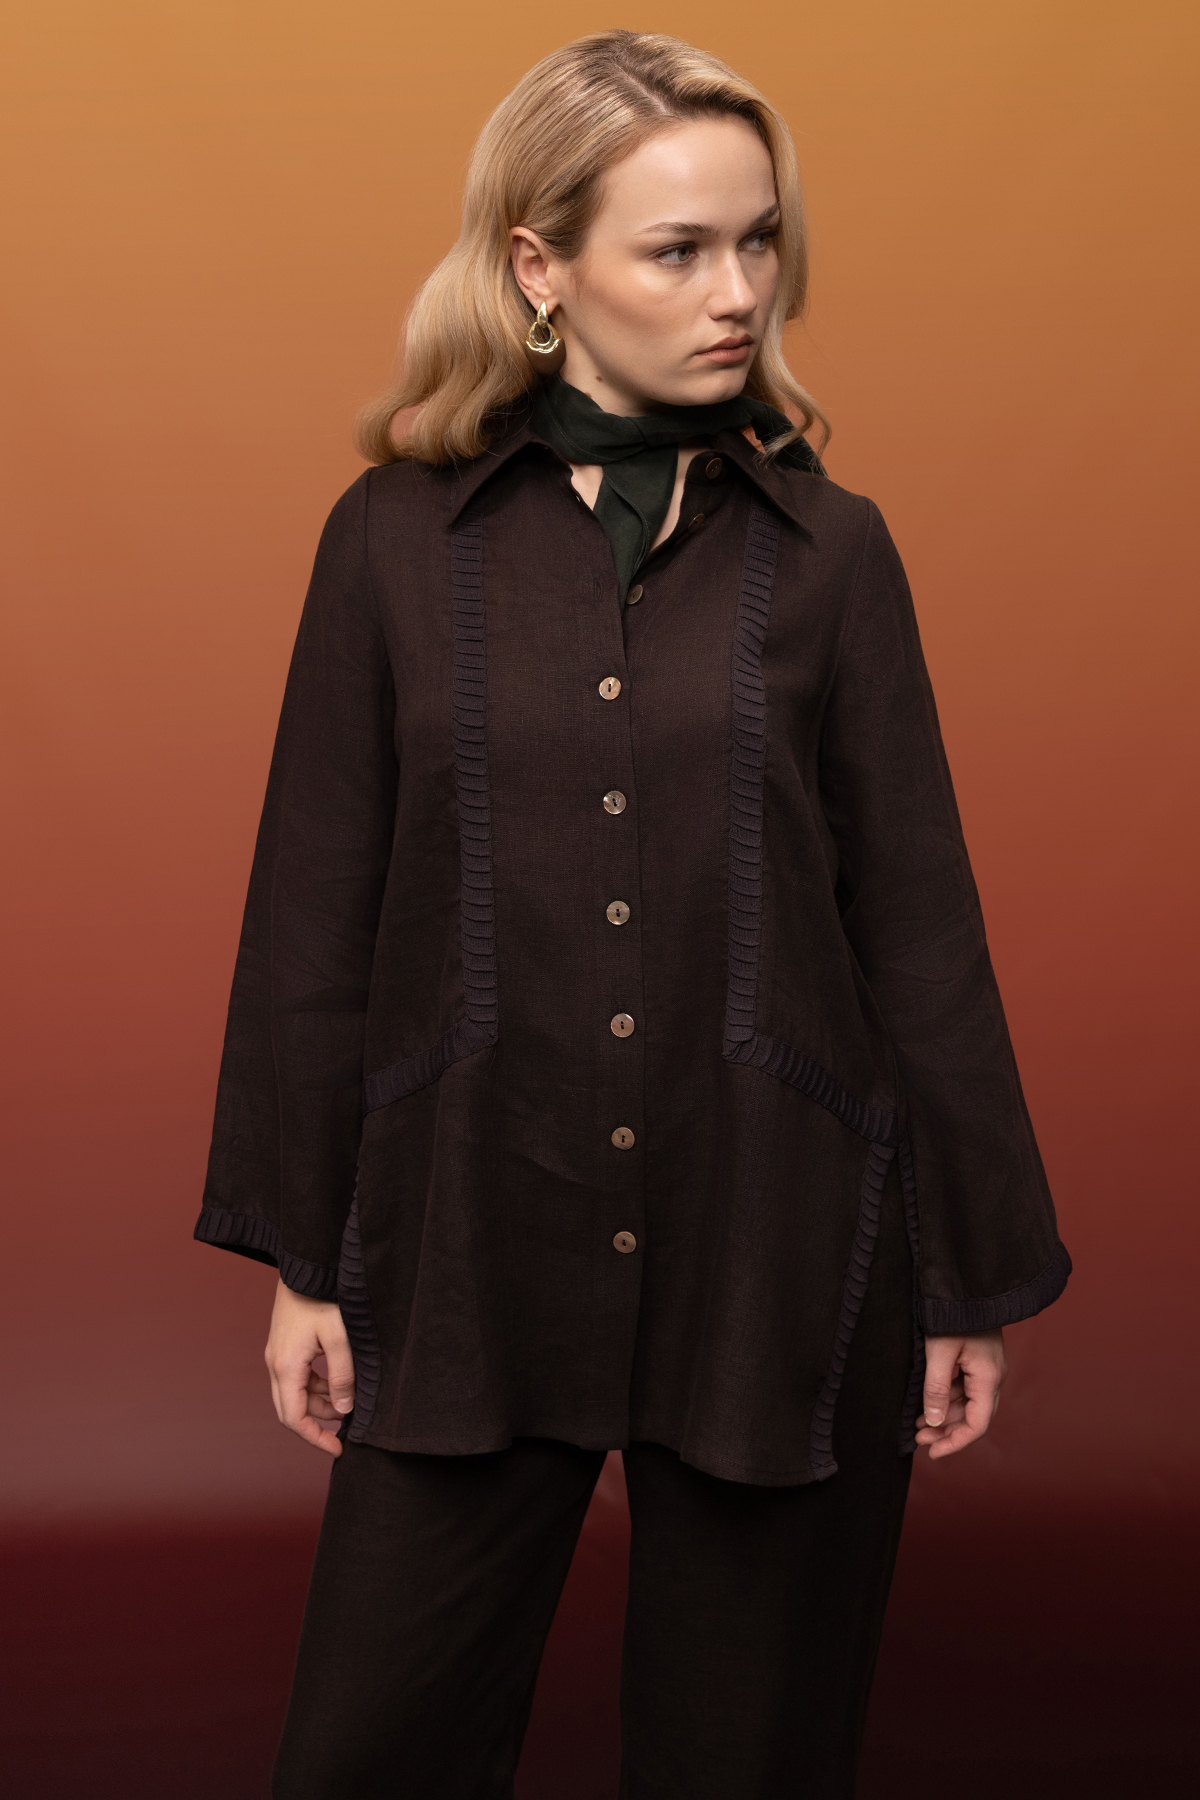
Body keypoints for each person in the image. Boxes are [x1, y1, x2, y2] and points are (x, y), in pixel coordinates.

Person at [194, 29, 1070, 1799]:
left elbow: (918, 924)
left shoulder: (834, 552)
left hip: (782, 1238)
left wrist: (963, 1282)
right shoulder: (390, 542)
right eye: (680, 250)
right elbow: (312, 916)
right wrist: (306, 1263)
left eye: (759, 241)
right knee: (367, 1753)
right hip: (465, 1231)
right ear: (540, 266)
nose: (739, 292)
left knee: (748, 1758)